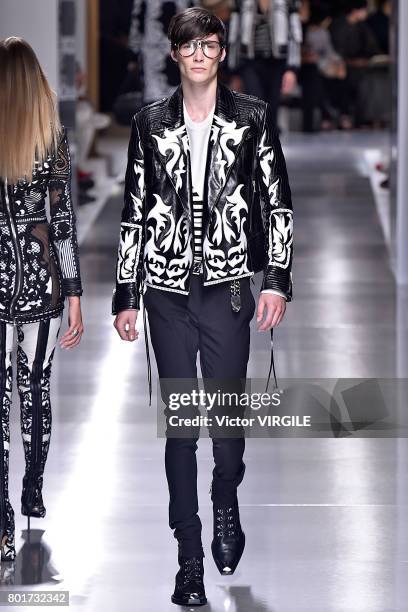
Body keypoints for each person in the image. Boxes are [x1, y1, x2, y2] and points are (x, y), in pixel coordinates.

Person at [112, 6, 293, 606]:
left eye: (208, 44)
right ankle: (188, 557)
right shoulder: (149, 123)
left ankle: (225, 498)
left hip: (231, 286)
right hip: (165, 291)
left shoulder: (251, 118)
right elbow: (135, 209)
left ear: (221, 52)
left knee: (226, 421)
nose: (198, 54)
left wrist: (277, 280)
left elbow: (277, 201)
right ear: (174, 52)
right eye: (188, 45)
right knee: (183, 427)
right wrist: (125, 292)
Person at [0, 38, 84, 562]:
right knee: (35, 390)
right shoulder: (50, 138)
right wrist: (74, 294)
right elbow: (62, 223)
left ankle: (2, 518)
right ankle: (32, 488)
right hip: (42, 283)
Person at [228, 0, 303, 128]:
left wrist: (292, 68)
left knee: (272, 107)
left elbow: (295, 34)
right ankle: (259, 143)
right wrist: (233, 69)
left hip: (278, 61)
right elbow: (234, 34)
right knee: (256, 104)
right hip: (249, 62)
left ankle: (269, 143)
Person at [128, 0, 197, 105]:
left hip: (156, 50)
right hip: (171, 48)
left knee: (155, 96)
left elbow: (138, 20)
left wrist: (134, 51)